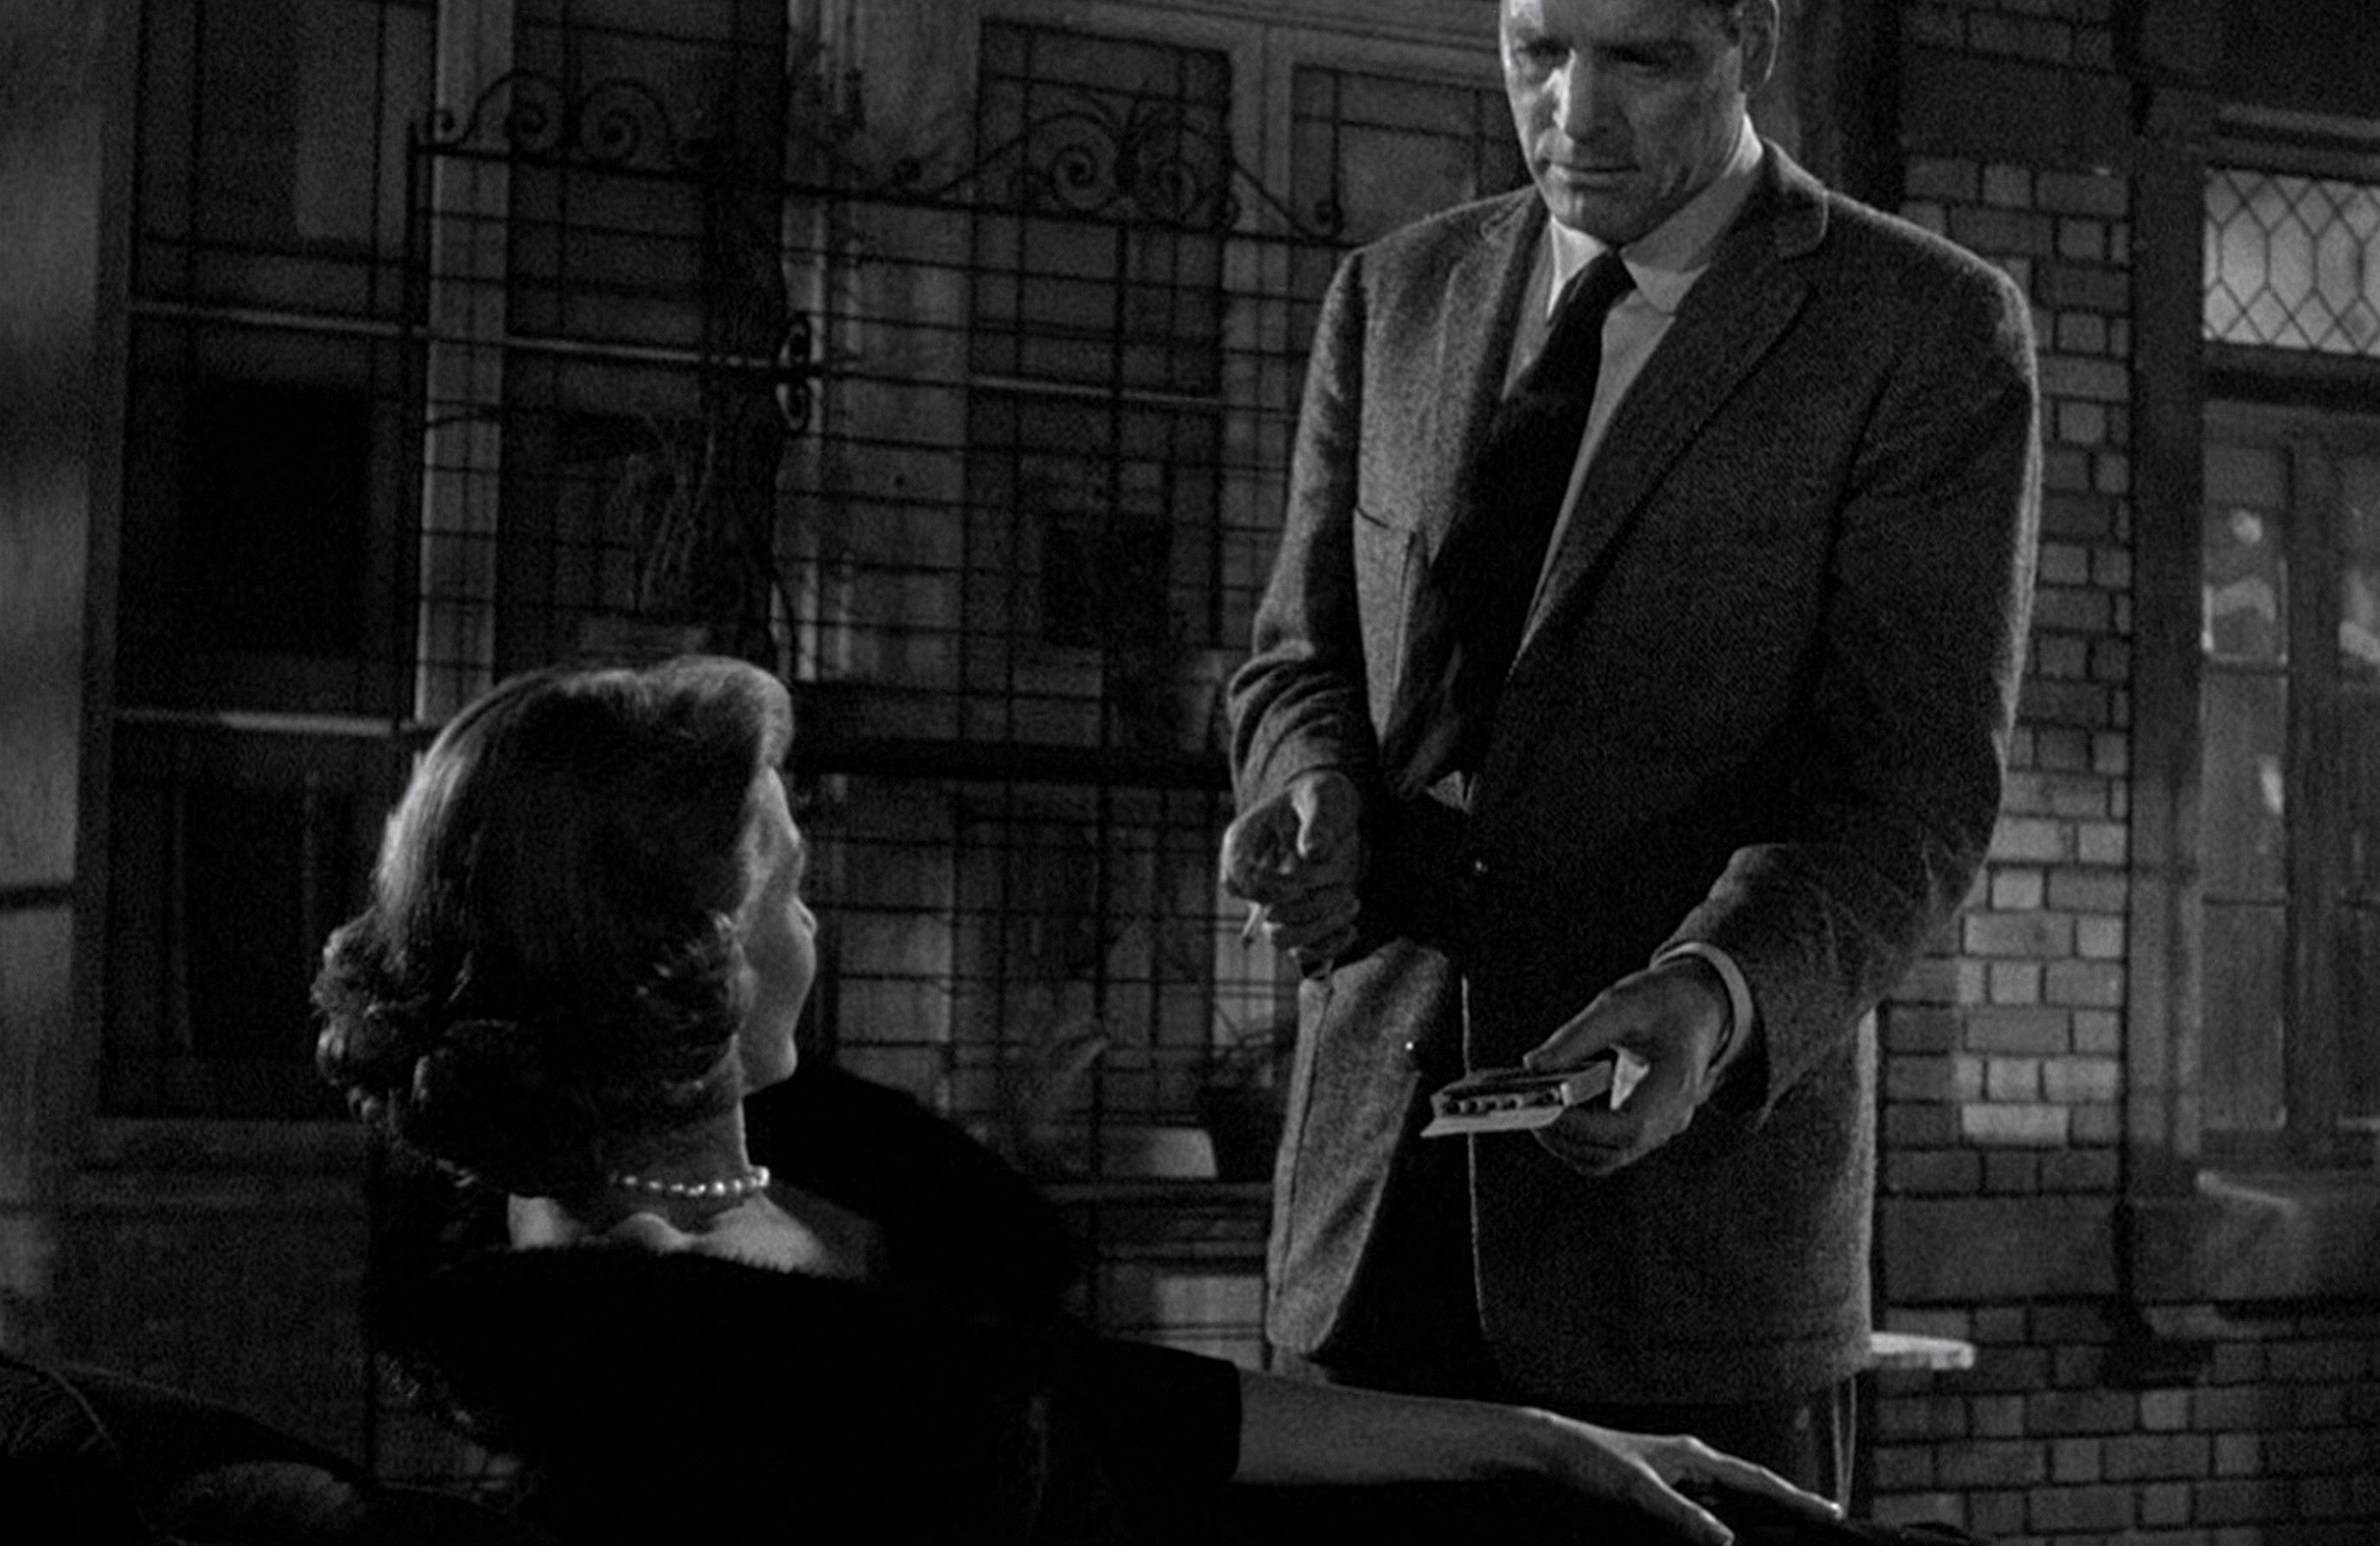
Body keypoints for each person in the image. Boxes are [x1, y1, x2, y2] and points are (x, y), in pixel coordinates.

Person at [1219, 0, 2040, 1499]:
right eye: (1537, 51)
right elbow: (1298, 660)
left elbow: (1906, 794)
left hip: (1681, 1255)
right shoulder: (1397, 296)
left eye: (1641, 61)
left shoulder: (1918, 333)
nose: (1573, 115)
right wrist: (1305, 785)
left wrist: (1715, 999)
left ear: (1751, 40)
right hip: (1365, 1231)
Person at [313, 655, 1836, 1546]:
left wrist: (1537, 1441)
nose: (813, 928)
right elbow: (1071, 1414)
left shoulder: (780, 1181)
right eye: (789, 887)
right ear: (687, 957)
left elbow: (1108, 1398)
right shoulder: (652, 1332)